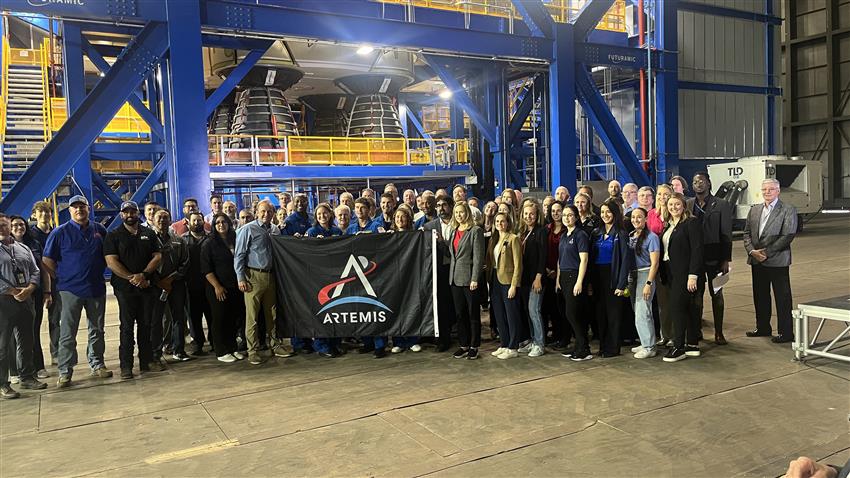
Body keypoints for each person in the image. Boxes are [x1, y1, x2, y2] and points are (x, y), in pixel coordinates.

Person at [43, 195, 113, 388]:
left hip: (96, 287)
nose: (79, 210)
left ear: (88, 208)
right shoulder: (60, 233)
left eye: (82, 206)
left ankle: (97, 364)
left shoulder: (99, 230)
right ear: (70, 210)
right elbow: (47, 260)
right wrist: (60, 278)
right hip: (69, 290)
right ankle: (65, 371)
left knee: (97, 330)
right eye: (75, 207)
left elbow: (109, 254)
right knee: (67, 332)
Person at [104, 201, 163, 379]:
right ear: (121, 214)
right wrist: (132, 278)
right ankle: (126, 366)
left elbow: (158, 255)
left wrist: (144, 275)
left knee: (146, 324)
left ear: (138, 213)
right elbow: (111, 261)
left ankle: (146, 362)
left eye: (133, 211)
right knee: (127, 327)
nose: (130, 214)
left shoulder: (148, 233)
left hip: (146, 286)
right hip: (125, 289)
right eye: (126, 212)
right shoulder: (113, 235)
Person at [743, 178, 798, 343]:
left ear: (778, 191)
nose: (767, 192)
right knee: (760, 296)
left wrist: (766, 252)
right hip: (756, 260)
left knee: (782, 297)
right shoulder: (754, 210)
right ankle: (762, 327)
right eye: (765, 189)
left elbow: (788, 235)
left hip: (777, 260)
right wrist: (752, 251)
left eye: (771, 189)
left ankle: (786, 333)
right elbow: (746, 233)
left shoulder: (788, 209)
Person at [235, 201, 289, 364]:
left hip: (271, 276)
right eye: (263, 211)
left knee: (272, 314)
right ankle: (253, 351)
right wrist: (241, 278)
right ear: (257, 212)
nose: (266, 214)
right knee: (252, 317)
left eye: (269, 211)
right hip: (253, 276)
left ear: (274, 213)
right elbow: (239, 255)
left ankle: (275, 345)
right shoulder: (247, 229)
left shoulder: (275, 230)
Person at [0, 214, 47, 398]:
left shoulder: (23, 248)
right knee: (3, 344)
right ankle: (3, 383)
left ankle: (27, 376)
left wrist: (31, 288)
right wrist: (11, 291)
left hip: (26, 299)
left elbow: (35, 270)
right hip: (4, 301)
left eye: (5, 225)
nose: (2, 228)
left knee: (27, 340)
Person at [689, 171, 733, 345]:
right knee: (696, 296)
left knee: (717, 294)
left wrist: (725, 259)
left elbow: (726, 234)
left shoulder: (721, 204)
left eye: (701, 181)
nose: (698, 183)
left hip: (715, 258)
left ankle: (719, 333)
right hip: (695, 258)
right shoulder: (688, 204)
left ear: (708, 183)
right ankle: (696, 331)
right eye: (695, 181)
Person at [660, 193, 704, 362]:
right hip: (670, 272)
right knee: (687, 308)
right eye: (670, 205)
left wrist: (693, 275)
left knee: (677, 308)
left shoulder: (691, 223)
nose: (673, 208)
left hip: (684, 273)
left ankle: (678, 346)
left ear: (684, 206)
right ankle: (692, 344)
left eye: (677, 204)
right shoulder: (669, 225)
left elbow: (697, 250)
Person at [589, 201, 633, 358]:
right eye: (602, 212)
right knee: (600, 314)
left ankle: (614, 347)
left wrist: (621, 284)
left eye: (608, 212)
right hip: (598, 277)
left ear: (615, 213)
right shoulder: (596, 233)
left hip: (613, 277)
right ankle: (603, 346)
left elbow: (626, 260)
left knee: (613, 314)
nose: (605, 215)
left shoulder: (621, 233)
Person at [201, 213, 247, 363]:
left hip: (235, 287)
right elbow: (206, 269)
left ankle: (232, 348)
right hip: (218, 288)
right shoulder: (209, 243)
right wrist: (217, 286)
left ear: (229, 223)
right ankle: (221, 351)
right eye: (218, 222)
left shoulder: (235, 239)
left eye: (224, 222)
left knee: (233, 319)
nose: (221, 224)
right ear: (214, 225)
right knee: (220, 319)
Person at [150, 210, 191, 362]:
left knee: (179, 317)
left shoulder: (178, 240)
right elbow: (145, 262)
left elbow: (185, 262)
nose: (162, 220)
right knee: (156, 319)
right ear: (153, 220)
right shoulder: (149, 239)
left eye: (165, 217)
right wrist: (158, 281)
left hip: (176, 284)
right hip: (155, 286)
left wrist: (171, 279)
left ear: (170, 220)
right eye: (159, 217)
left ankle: (179, 349)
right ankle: (156, 353)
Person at [448, 201, 485, 360]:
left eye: (461, 212)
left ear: (467, 213)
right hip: (455, 278)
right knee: (460, 314)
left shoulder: (475, 231)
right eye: (456, 213)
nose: (459, 215)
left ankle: (474, 345)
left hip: (470, 279)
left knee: (473, 314)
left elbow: (478, 257)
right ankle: (463, 344)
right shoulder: (454, 231)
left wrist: (475, 278)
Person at [556, 205, 592, 361]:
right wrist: (558, 279)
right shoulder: (564, 235)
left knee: (573, 313)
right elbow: (560, 259)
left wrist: (579, 282)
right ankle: (579, 345)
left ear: (576, 217)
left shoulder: (580, 235)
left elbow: (584, 259)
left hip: (574, 276)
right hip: (564, 277)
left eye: (570, 215)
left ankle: (584, 348)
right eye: (564, 215)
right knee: (570, 313)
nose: (566, 218)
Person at [487, 212, 522, 360]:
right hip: (495, 279)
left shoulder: (513, 239)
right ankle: (504, 344)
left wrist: (514, 285)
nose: (500, 224)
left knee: (511, 314)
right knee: (499, 314)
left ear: (508, 223)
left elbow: (518, 265)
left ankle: (513, 346)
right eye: (497, 221)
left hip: (508, 280)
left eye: (503, 221)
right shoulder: (494, 239)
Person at [423, 195, 456, 352]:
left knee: (457, 306)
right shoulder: (430, 226)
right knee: (442, 307)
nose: (441, 208)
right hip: (439, 272)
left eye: (444, 205)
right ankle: (443, 339)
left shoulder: (460, 224)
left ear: (451, 206)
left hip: (457, 270)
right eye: (439, 205)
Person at [30, 201, 60, 371]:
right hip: (37, 286)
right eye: (40, 212)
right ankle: (35, 359)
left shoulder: (56, 233)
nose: (44, 215)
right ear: (34, 215)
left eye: (47, 212)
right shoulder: (31, 235)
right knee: (35, 323)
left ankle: (55, 353)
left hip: (56, 282)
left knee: (56, 319)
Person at [627, 208, 660, 358]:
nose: (636, 220)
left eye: (639, 217)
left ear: (646, 219)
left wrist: (648, 283)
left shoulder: (652, 237)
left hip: (645, 273)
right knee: (638, 311)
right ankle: (645, 340)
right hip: (633, 276)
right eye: (633, 217)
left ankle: (649, 347)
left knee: (643, 311)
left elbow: (655, 263)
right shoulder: (631, 236)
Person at [517, 200, 548, 358]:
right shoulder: (521, 232)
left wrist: (539, 277)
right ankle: (531, 340)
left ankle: (540, 343)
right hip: (523, 278)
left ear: (537, 216)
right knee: (527, 311)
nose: (529, 217)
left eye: (532, 214)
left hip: (536, 278)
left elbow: (543, 256)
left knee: (534, 310)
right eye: (526, 214)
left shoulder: (541, 231)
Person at [389, 207, 421, 353]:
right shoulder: (390, 237)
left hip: (411, 277)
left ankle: (413, 340)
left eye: (403, 217)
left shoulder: (415, 235)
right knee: (396, 308)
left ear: (408, 219)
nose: (400, 220)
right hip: (394, 278)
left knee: (412, 307)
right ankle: (398, 341)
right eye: (397, 218)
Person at [181, 212, 212, 356]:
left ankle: (214, 341)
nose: (196, 223)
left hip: (210, 283)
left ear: (203, 222)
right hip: (191, 284)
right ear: (188, 222)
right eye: (194, 220)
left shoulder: (211, 238)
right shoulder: (182, 240)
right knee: (194, 316)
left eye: (199, 220)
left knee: (212, 314)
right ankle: (198, 343)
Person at [543, 200, 569, 348]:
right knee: (550, 307)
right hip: (548, 273)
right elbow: (542, 251)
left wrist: (557, 272)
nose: (556, 213)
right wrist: (547, 270)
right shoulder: (547, 229)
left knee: (562, 308)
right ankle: (555, 335)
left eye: (559, 210)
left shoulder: (568, 230)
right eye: (553, 211)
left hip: (563, 273)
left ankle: (564, 337)